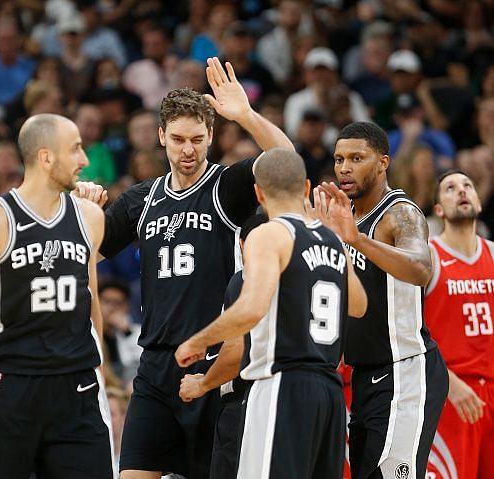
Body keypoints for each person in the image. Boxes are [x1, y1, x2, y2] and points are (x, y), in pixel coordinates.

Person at [97, 57, 294, 479]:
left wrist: (245, 115)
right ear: (162, 137)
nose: (189, 150)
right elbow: (87, 252)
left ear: (211, 137)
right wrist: (82, 207)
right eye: (180, 139)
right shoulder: (141, 199)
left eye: (199, 139)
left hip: (214, 359)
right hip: (154, 365)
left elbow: (286, 161)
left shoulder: (225, 186)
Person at [175, 147, 367, 479]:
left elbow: (250, 308)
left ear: (259, 193)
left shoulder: (268, 234)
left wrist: (198, 341)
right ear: (306, 189)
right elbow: (360, 305)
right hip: (330, 394)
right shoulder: (331, 241)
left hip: (282, 386)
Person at [0, 113, 114, 479]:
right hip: (12, 386)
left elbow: (90, 299)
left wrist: (101, 368)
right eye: (76, 149)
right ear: (46, 157)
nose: (84, 159)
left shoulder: (90, 218)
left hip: (77, 387)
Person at [309, 121, 449, 479]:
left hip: (404, 368)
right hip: (364, 376)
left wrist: (357, 240)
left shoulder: (399, 212)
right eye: (339, 159)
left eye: (357, 158)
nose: (344, 167)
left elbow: (421, 268)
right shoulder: (344, 217)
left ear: (383, 162)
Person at [178, 213, 267, 479]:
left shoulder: (246, 278)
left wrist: (203, 383)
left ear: (241, 244)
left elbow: (237, 350)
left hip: (248, 403)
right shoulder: (299, 278)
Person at [425, 170, 494, 479]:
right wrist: (449, 383)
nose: (462, 191)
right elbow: (408, 330)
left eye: (468, 186)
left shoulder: (493, 255)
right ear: (439, 209)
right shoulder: (428, 257)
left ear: (478, 200)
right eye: (450, 188)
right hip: (452, 394)